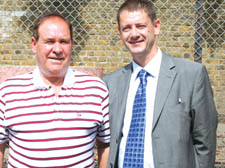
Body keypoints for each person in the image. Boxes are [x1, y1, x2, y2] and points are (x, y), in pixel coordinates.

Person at [103, 0, 217, 168]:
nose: (134, 34)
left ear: (156, 27)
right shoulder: (111, 83)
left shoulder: (191, 76)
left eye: (141, 26)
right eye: (127, 28)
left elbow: (205, 143)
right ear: (119, 32)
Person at [0, 12, 110, 168]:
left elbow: (105, 143)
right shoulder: (8, 91)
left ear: (72, 44)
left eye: (64, 41)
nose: (57, 49)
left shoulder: (96, 89)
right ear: (34, 44)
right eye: (49, 41)